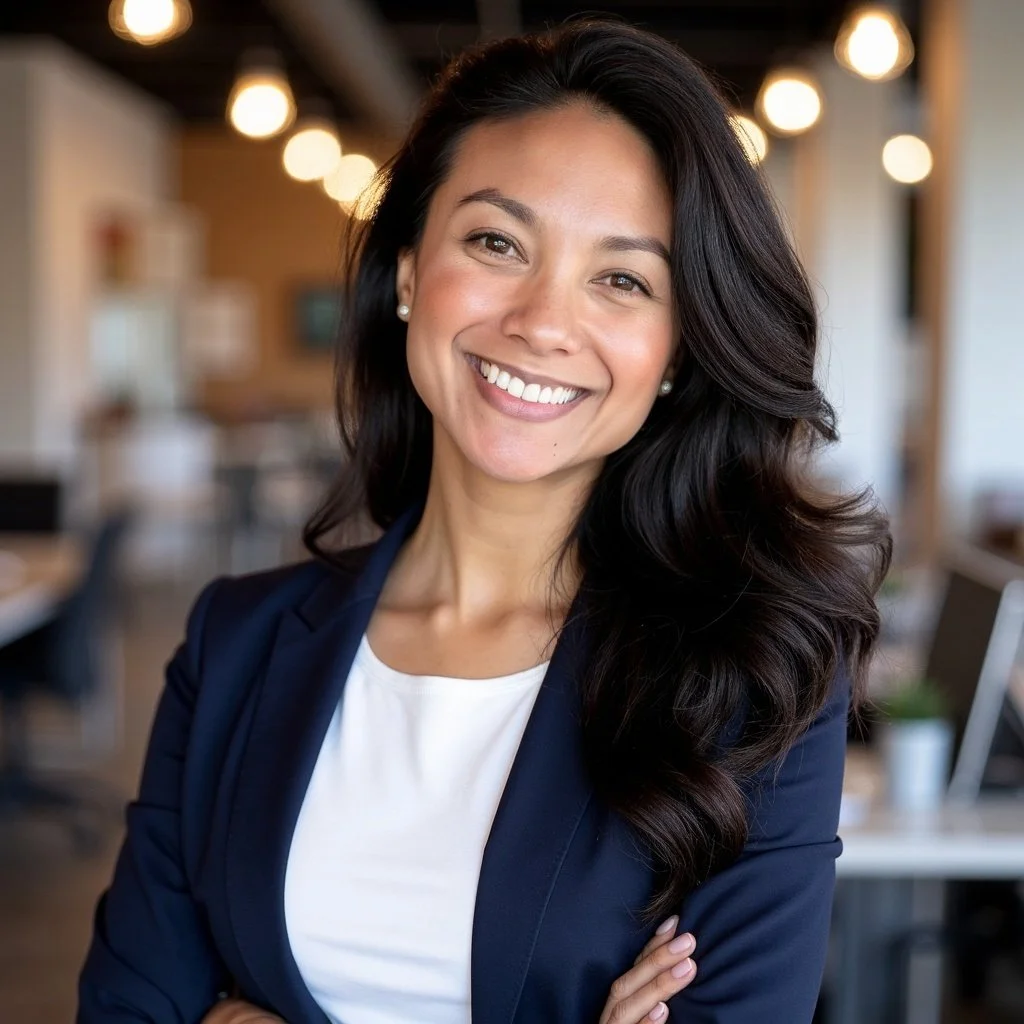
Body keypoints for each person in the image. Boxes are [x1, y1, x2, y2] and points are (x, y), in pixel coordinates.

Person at [78, 19, 890, 1024]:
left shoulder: (756, 678)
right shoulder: (233, 644)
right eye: (496, 242)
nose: (543, 322)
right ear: (409, 272)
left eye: (622, 280)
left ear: (677, 351)